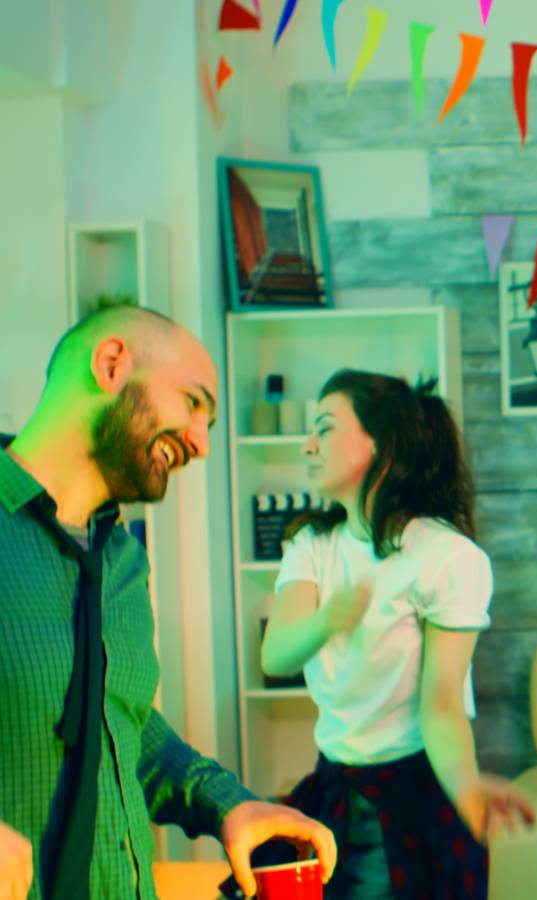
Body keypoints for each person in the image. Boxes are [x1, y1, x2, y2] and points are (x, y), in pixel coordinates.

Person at [0, 305, 336, 900]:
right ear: (110, 365)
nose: (203, 444)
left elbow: (117, 721)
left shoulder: (124, 562)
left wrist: (229, 804)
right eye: (193, 402)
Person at [250, 370, 533, 900]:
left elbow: (443, 704)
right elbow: (277, 652)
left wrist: (467, 789)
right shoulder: (311, 544)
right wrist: (327, 620)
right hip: (334, 788)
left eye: (326, 428)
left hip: (414, 796)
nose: (308, 445)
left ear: (379, 444)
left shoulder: (448, 558)